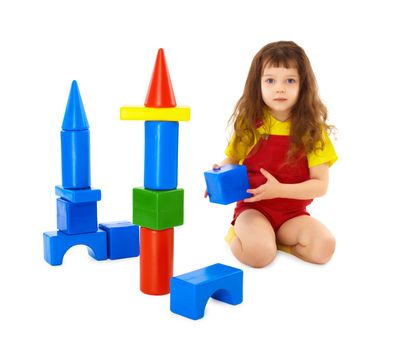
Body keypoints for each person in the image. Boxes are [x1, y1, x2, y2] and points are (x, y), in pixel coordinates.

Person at [206, 41, 337, 268]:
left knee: (324, 247)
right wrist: (218, 174)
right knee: (259, 256)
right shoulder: (250, 125)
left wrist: (280, 190)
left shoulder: (312, 131)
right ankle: (240, 235)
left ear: (302, 86)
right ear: (258, 85)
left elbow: (320, 185)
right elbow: (233, 160)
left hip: (292, 215)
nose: (280, 88)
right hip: (253, 209)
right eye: (270, 80)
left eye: (290, 80)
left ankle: (277, 241)